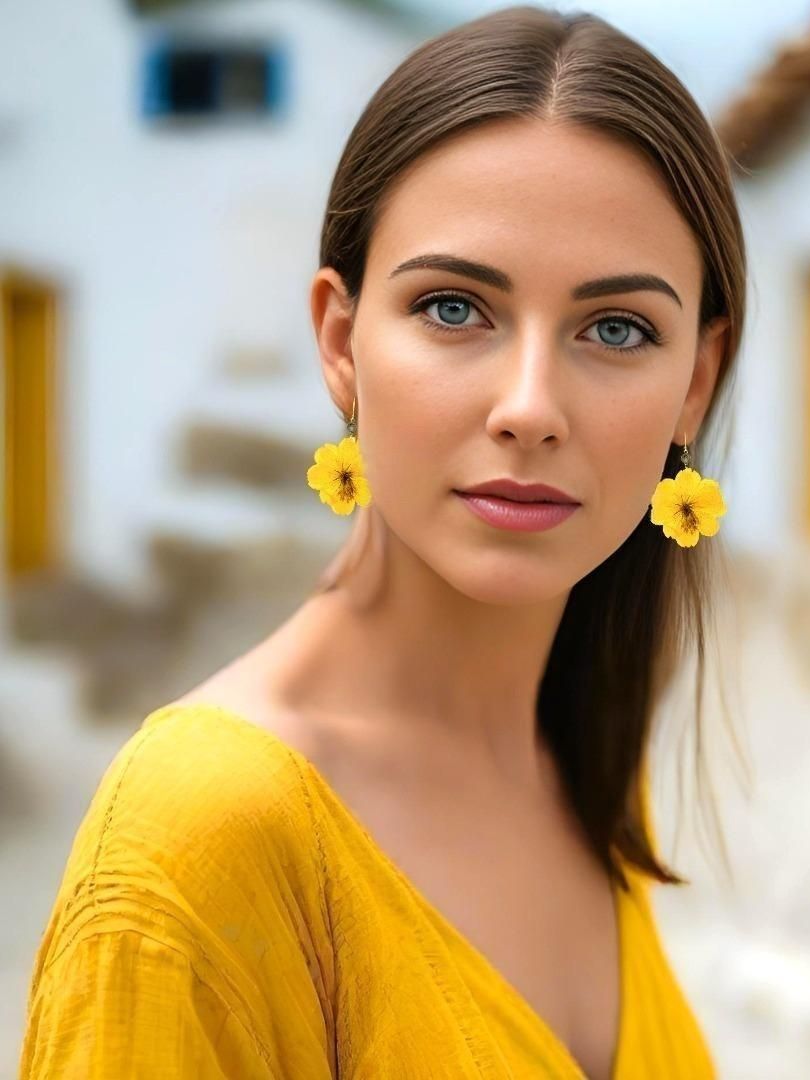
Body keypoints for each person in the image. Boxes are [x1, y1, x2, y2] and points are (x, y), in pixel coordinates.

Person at [19, 5, 745, 1077]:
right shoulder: (204, 831)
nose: (531, 406)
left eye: (616, 328)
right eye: (456, 309)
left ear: (696, 380)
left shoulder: (580, 759)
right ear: (340, 342)